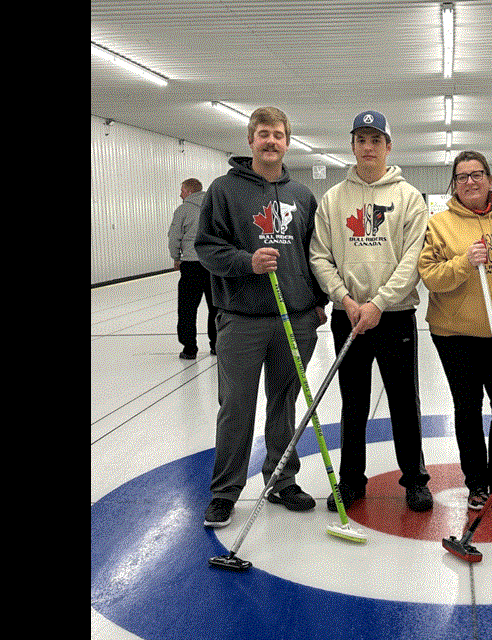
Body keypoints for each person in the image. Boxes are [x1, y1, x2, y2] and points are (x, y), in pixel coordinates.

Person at [195, 106, 328, 528]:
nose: (271, 141)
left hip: (297, 317)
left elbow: (315, 254)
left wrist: (319, 299)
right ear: (251, 140)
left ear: (288, 142)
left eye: (279, 135)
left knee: (285, 402)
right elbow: (206, 247)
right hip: (242, 319)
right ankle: (224, 492)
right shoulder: (223, 190)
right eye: (263, 134)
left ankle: (282, 480)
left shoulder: (302, 195)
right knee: (236, 406)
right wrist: (246, 262)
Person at [309, 110, 432, 513]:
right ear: (352, 146)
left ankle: (415, 480)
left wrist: (379, 303)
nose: (368, 147)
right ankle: (350, 481)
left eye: (375, 140)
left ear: (388, 146)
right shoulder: (332, 199)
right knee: (353, 403)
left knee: (403, 401)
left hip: (394, 315)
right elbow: (319, 256)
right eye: (361, 140)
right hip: (349, 315)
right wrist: (345, 299)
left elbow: (413, 258)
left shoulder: (409, 198)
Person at [418, 151, 492, 511]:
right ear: (454, 184)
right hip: (455, 333)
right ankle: (477, 483)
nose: (470, 181)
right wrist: (465, 262)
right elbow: (430, 276)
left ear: (490, 180)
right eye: (462, 176)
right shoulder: (439, 224)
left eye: (477, 174)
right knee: (468, 407)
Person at [168, 178, 218, 359]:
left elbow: (174, 237)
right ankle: (217, 346)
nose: (180, 194)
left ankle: (189, 349)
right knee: (216, 307)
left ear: (189, 191)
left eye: (182, 190)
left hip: (191, 265)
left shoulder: (183, 210)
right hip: (213, 264)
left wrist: (176, 257)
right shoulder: (215, 207)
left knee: (187, 308)